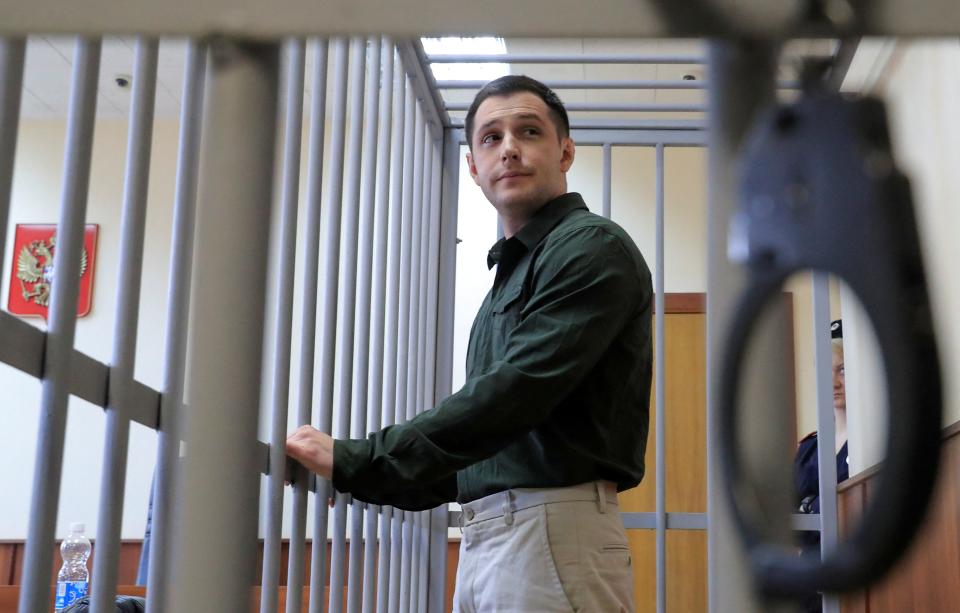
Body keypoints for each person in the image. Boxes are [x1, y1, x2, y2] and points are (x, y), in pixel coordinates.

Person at [287, 75, 652, 612]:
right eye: (490, 137)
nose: (509, 148)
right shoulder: (512, 273)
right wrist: (356, 472)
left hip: (549, 530)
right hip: (498, 533)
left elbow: (511, 397)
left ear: (565, 151)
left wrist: (361, 459)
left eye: (529, 130)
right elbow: (485, 448)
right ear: (473, 167)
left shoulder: (589, 247)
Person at [793, 319, 849, 613]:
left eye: (843, 369)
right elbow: (789, 522)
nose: (834, 381)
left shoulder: (872, 444)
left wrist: (810, 507)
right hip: (809, 582)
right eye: (827, 370)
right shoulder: (809, 448)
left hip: (852, 575)